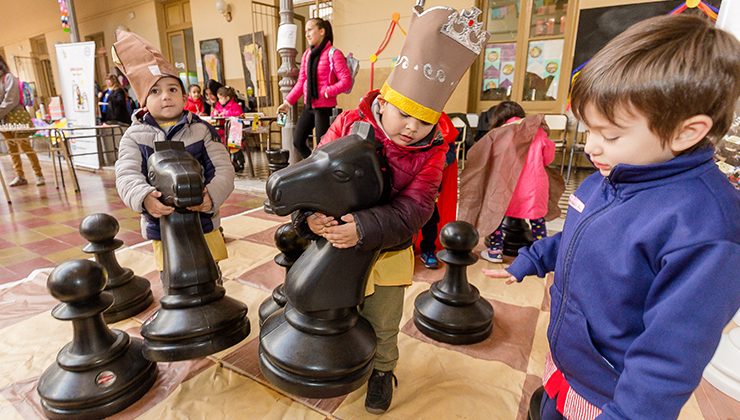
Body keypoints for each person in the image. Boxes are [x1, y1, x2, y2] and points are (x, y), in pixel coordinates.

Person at [484, 15, 740, 420]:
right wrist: (532, 260)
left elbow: (668, 359)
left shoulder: (707, 231)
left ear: (686, 132)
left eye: (611, 135)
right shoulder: (611, 176)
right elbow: (579, 237)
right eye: (588, 130)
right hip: (568, 366)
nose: (592, 148)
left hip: (610, 397)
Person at [295, 6, 488, 413]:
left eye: (424, 119)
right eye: (405, 114)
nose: (412, 128)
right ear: (383, 101)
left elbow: (414, 209)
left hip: (387, 252)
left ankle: (383, 370)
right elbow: (315, 172)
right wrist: (308, 216)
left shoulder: (433, 154)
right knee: (335, 307)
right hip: (334, 244)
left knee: (383, 321)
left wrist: (363, 228)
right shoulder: (347, 124)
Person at [113, 31, 235, 283]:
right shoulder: (135, 137)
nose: (165, 96)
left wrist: (210, 197)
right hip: (162, 227)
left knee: (211, 275)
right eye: (155, 91)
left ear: (183, 96)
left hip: (203, 221)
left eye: (172, 89)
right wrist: (144, 197)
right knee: (173, 277)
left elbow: (224, 169)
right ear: (144, 100)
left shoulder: (201, 131)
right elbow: (126, 174)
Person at [478, 101, 554, 263]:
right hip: (534, 185)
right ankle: (541, 256)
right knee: (537, 221)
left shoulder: (499, 133)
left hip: (506, 184)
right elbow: (548, 158)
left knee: (496, 217)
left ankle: (495, 251)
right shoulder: (538, 131)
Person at [276, 17, 352, 159]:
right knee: (298, 141)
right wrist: (287, 103)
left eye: (310, 30)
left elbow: (346, 81)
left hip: (325, 108)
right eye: (306, 31)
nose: (307, 34)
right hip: (309, 106)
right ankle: (313, 165)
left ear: (322, 31)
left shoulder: (334, 54)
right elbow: (301, 82)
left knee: (323, 147)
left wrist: (328, 91)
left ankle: (322, 172)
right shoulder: (307, 55)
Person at [0, 55, 44, 187]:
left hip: (15, 118)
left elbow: (11, 100)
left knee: (25, 146)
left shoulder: (8, 77)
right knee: (12, 149)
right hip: (3, 120)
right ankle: (19, 175)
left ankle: (38, 174)